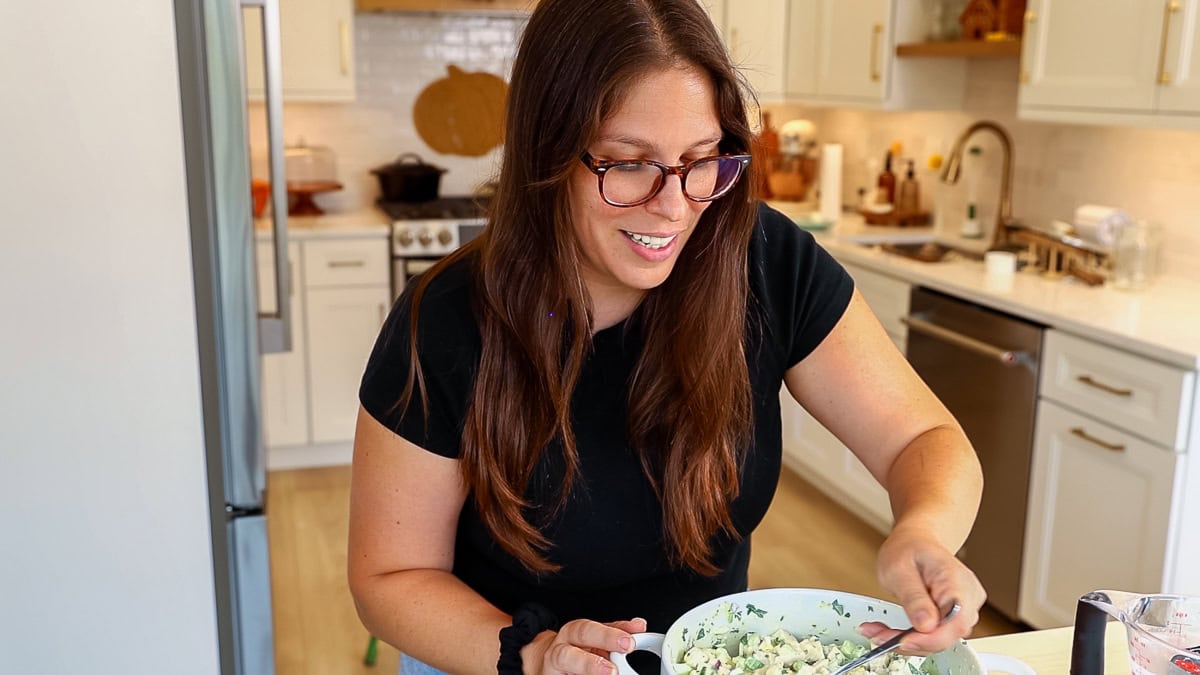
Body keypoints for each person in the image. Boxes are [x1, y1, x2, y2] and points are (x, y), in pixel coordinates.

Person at [348, 1, 986, 674]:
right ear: (548, 152)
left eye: (701, 159)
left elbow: (922, 439)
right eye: (629, 164)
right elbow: (390, 576)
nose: (675, 206)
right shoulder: (446, 320)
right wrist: (537, 656)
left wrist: (925, 530)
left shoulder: (764, 260)